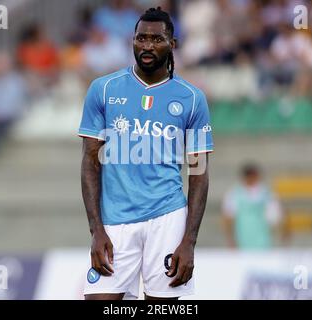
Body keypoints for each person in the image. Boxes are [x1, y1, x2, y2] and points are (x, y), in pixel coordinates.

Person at [78, 7, 213, 300]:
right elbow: (90, 163)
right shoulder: (103, 90)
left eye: (156, 39)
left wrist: (188, 242)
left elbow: (199, 174)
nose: (147, 46)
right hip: (115, 221)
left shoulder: (191, 99)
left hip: (167, 218)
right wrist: (96, 230)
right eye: (141, 38)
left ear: (172, 44)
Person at [221, 163, 283, 250]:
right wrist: (230, 239)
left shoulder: (266, 193)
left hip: (263, 239)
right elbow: (228, 218)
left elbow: (275, 215)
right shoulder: (234, 193)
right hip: (242, 238)